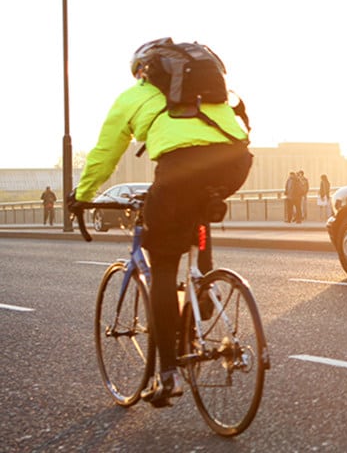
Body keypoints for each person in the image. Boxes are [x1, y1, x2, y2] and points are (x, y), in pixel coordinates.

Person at [67, 38, 252, 408]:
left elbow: (106, 152)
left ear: (142, 71)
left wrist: (84, 195)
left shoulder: (134, 96)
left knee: (164, 264)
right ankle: (204, 286)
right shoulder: (207, 92)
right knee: (194, 217)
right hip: (235, 161)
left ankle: (167, 375)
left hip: (181, 169)